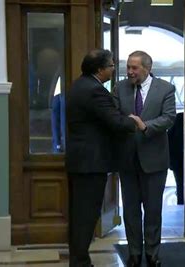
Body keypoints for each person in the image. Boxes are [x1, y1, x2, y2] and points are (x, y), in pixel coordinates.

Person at [65, 49, 138, 267]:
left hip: (80, 161)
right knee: (86, 216)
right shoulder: (95, 91)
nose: (115, 69)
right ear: (100, 69)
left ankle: (79, 260)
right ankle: (80, 262)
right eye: (111, 65)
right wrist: (134, 121)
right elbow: (115, 121)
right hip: (90, 163)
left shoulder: (79, 85)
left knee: (79, 214)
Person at [115, 51, 176, 267]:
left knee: (152, 210)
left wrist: (146, 126)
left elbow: (169, 118)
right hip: (127, 160)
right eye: (128, 67)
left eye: (134, 68)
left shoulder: (166, 88)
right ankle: (133, 253)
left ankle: (152, 253)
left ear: (147, 68)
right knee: (131, 211)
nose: (129, 72)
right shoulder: (120, 88)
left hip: (154, 160)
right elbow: (114, 116)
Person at [167, 112, 184, 205]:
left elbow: (168, 140)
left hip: (176, 161)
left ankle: (181, 204)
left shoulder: (177, 120)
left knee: (180, 184)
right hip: (183, 159)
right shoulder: (183, 119)